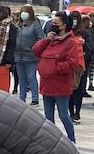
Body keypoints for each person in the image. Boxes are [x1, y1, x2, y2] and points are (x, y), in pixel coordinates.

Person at [33, 10, 84, 142]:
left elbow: (72, 63)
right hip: (46, 83)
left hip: (61, 84)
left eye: (56, 23)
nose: (53, 25)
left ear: (64, 26)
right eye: (52, 23)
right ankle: (51, 141)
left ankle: (71, 139)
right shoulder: (49, 40)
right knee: (48, 117)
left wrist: (54, 68)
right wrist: (46, 39)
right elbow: (36, 51)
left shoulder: (70, 42)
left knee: (63, 115)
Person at [13, 6, 43, 103]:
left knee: (31, 76)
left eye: (25, 12)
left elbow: (40, 38)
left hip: (31, 56)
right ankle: (22, 98)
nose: (23, 14)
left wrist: (33, 48)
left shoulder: (35, 24)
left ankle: (35, 98)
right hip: (18, 55)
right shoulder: (18, 25)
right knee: (21, 78)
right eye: (22, 12)